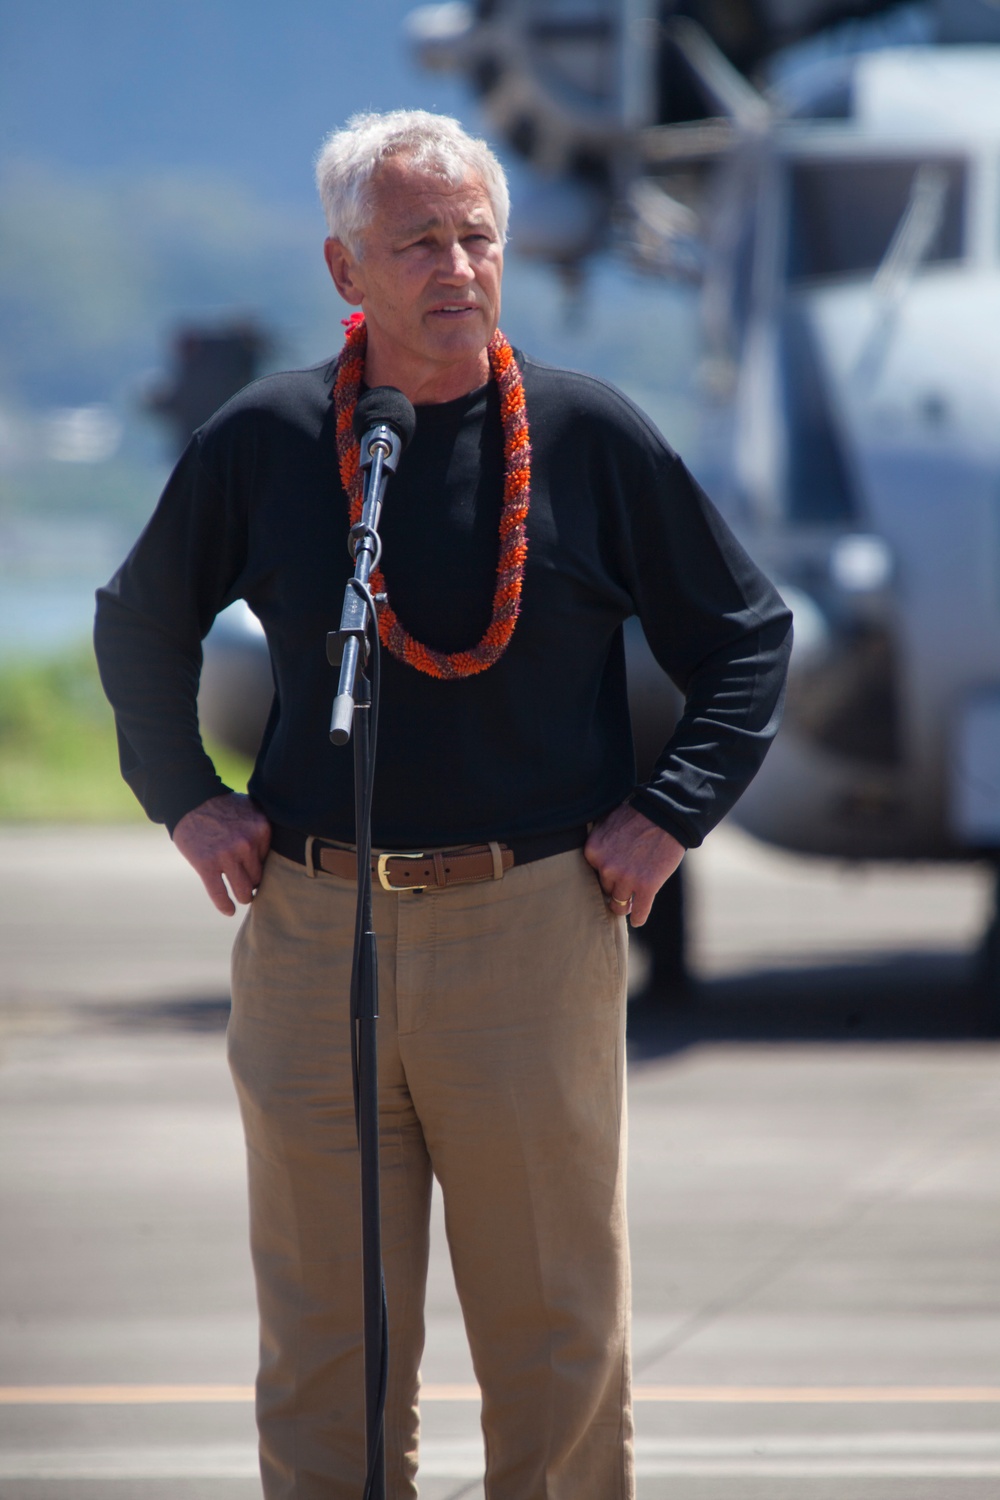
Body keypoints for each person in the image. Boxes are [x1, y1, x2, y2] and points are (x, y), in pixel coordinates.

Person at [95, 109, 792, 1499]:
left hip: (530, 930)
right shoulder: (274, 437)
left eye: (478, 236)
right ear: (348, 272)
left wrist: (669, 814)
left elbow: (747, 636)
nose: (458, 266)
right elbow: (139, 623)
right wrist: (186, 799)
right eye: (418, 241)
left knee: (552, 1342)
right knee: (322, 1348)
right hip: (308, 928)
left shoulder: (588, 435)